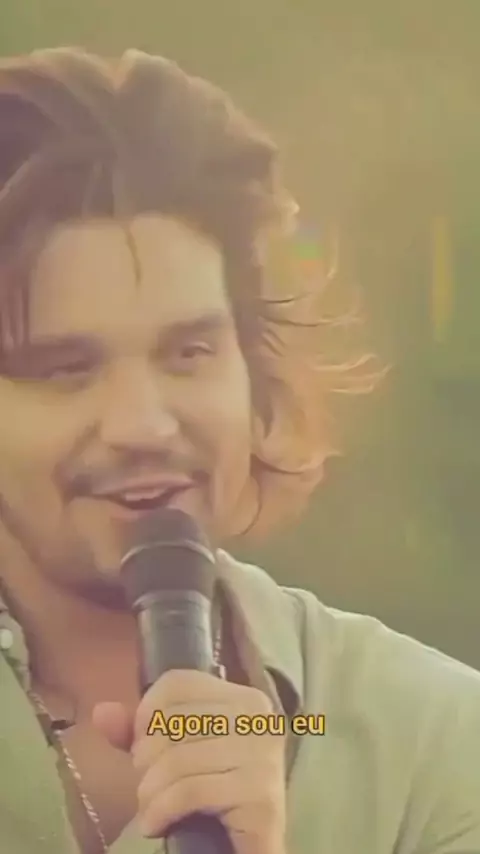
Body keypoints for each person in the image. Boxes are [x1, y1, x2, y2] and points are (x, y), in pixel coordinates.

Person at [0, 47, 478, 854]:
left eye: (188, 353)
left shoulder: (432, 743)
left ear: (254, 369)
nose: (144, 425)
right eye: (66, 369)